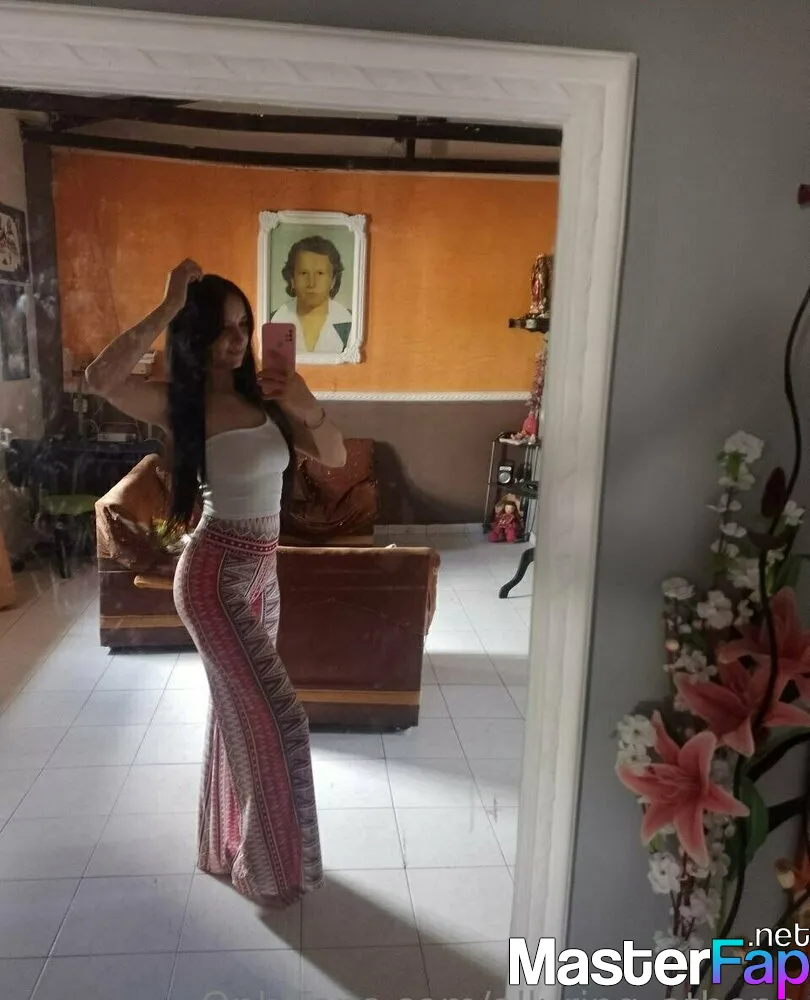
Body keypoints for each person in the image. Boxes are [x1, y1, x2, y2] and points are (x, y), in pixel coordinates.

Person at [84, 258, 346, 907]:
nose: (237, 340)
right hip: (213, 578)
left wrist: (304, 403)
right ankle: (270, 868)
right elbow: (100, 378)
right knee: (281, 720)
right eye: (222, 328)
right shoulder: (182, 404)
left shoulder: (268, 397)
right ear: (194, 333)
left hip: (264, 576)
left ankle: (224, 844)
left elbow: (336, 455)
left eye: (244, 326)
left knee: (240, 717)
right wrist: (168, 303)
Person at [270, 235, 353, 354]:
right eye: (304, 273)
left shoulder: (352, 324)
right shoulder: (270, 321)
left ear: (333, 280)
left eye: (320, 273)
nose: (311, 283)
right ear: (292, 279)